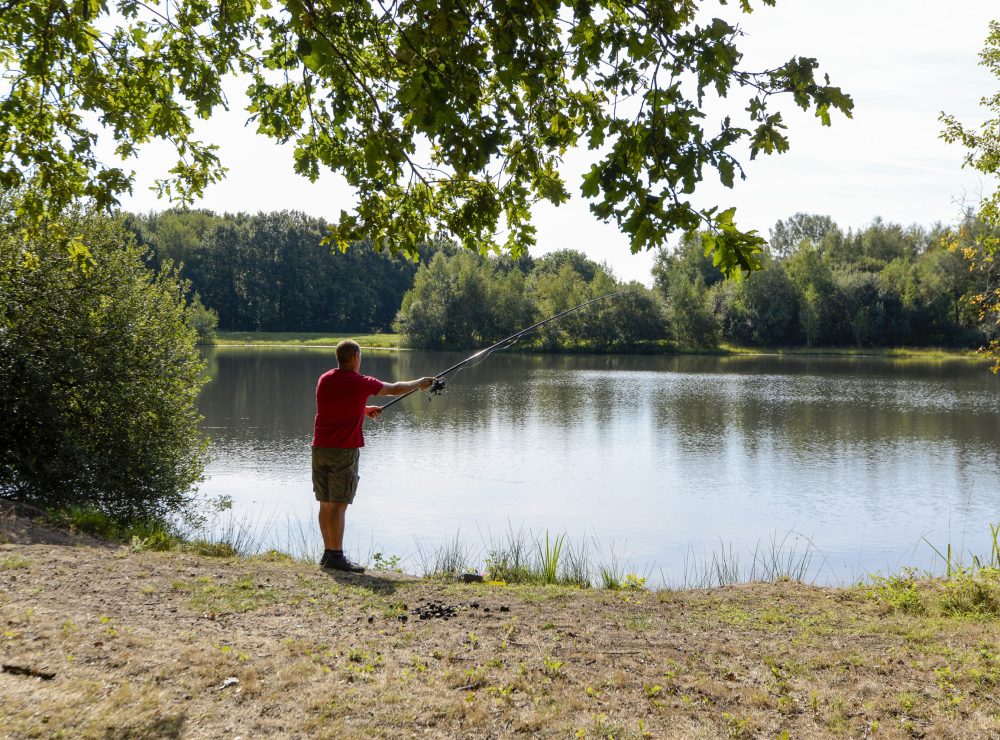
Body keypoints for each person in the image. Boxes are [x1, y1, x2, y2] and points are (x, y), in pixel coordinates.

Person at [312, 339, 435, 572]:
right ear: (356, 357)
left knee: (325, 503)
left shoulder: (325, 378)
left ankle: (328, 554)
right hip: (343, 451)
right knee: (339, 504)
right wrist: (419, 383)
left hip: (319, 448)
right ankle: (337, 556)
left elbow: (335, 403)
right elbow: (395, 389)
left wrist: (362, 409)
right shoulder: (360, 383)